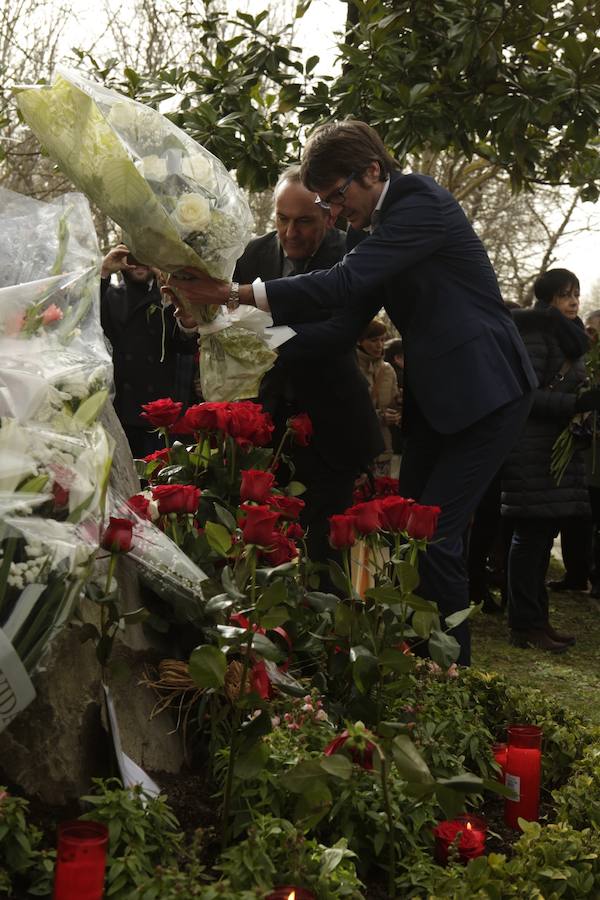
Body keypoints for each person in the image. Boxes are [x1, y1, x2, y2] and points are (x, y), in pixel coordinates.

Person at [164, 119, 537, 665]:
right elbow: (340, 327)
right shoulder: (372, 232)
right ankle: (413, 664)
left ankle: (454, 680)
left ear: (373, 170)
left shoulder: (420, 204)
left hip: (488, 391)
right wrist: (232, 331)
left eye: (335, 199)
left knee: (433, 539)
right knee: (403, 532)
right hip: (439, 402)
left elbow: (337, 284)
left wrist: (230, 293)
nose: (334, 215)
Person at [233, 166, 383, 575]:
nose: (291, 232)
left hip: (331, 427)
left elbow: (335, 335)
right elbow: (218, 314)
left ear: (330, 216)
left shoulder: (355, 255)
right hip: (264, 425)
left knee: (323, 556)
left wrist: (254, 334)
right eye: (282, 219)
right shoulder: (252, 255)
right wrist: (194, 314)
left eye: (305, 221)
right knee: (261, 545)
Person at [502, 268, 599, 652]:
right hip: (532, 449)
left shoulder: (567, 334)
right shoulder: (534, 331)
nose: (573, 301)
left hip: (551, 449)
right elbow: (523, 394)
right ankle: (525, 624)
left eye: (575, 293)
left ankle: (537, 620)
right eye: (564, 294)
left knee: (541, 541)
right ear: (546, 299)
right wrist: (575, 403)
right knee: (530, 540)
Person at [100, 244, 198, 458]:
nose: (139, 263)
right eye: (134, 256)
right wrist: (105, 271)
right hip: (123, 410)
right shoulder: (112, 297)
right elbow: (88, 314)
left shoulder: (166, 298)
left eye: (145, 256)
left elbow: (186, 345)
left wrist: (165, 278)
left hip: (160, 412)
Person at [356, 318, 400, 477]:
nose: (379, 345)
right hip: (359, 447)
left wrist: (399, 405)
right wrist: (379, 417)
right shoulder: (352, 367)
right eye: (373, 340)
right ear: (360, 341)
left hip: (383, 446)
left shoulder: (387, 369)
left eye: (382, 340)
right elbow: (350, 410)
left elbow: (393, 404)